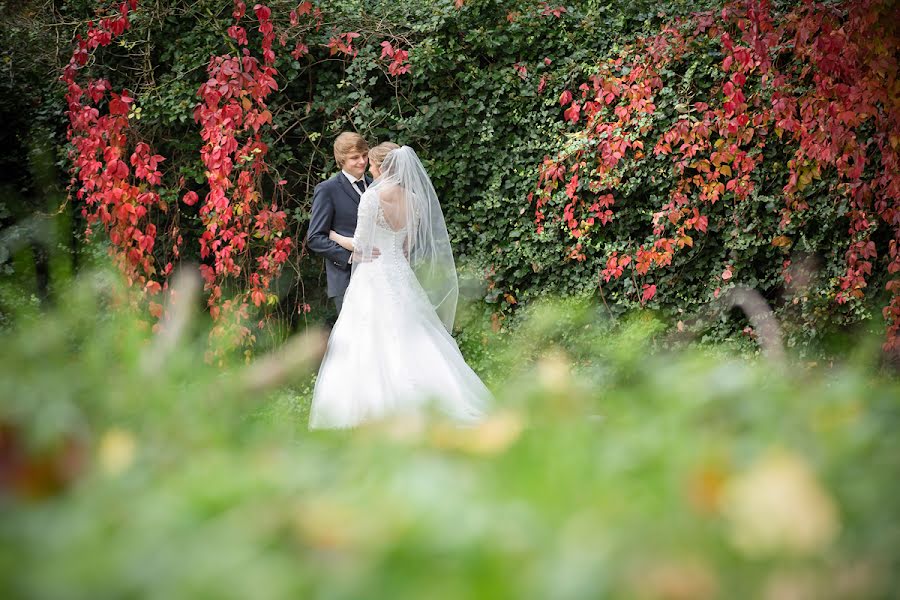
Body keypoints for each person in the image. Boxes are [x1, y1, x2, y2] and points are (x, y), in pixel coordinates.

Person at [309, 145, 491, 429]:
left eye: (371, 164)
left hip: (372, 275)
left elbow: (360, 243)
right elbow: (407, 245)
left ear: (382, 167)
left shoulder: (371, 198)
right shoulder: (415, 200)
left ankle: (371, 411)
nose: (368, 169)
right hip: (400, 274)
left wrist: (334, 235)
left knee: (365, 338)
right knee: (416, 335)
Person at [306, 132, 373, 317]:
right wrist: (350, 257)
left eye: (365, 155)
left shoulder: (375, 184)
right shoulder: (327, 189)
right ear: (341, 159)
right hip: (346, 280)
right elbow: (315, 238)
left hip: (378, 277)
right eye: (355, 157)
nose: (362, 161)